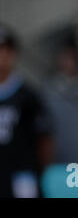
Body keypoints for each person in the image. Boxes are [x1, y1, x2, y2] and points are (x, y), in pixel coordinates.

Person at [0, 24, 53, 198]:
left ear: (13, 54)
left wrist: (36, 171)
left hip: (21, 175)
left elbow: (44, 139)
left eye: (5, 50)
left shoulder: (28, 96)